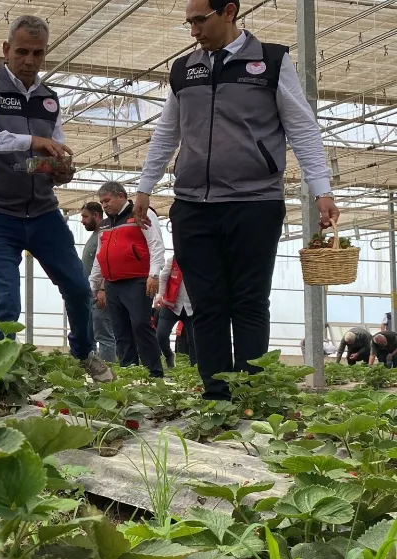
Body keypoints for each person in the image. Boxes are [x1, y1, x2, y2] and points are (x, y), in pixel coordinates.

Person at [133, 0, 340, 400]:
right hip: (194, 205)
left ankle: (250, 395)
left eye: (199, 20)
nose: (193, 30)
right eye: (188, 22)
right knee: (207, 304)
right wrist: (145, 185)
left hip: (255, 202)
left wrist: (322, 189)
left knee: (248, 300)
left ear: (228, 12)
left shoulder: (271, 61)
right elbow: (167, 132)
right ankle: (216, 396)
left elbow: (302, 127)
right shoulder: (184, 70)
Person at [0, 14, 112, 382]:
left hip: (43, 211)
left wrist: (57, 169)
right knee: (8, 300)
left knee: (78, 288)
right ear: (6, 49)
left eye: (38, 53)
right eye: (23, 51)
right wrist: (31, 141)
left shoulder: (48, 100)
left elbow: (40, 159)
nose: (30, 60)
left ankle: (83, 354)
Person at [88, 182, 165, 378]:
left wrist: (154, 274)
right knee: (120, 330)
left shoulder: (139, 213)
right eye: (101, 202)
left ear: (121, 196)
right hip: (113, 284)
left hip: (138, 281)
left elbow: (156, 244)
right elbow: (99, 255)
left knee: (140, 325)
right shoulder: (105, 224)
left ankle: (154, 373)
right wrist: (93, 285)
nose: (104, 205)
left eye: (107, 200)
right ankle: (130, 372)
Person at [79, 202, 117, 362]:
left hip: (100, 296)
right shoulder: (94, 236)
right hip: (91, 295)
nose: (82, 220)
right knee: (90, 336)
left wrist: (103, 289)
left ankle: (108, 374)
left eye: (85, 216)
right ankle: (94, 369)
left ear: (96, 215)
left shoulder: (104, 235)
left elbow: (107, 263)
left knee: (105, 336)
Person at [155, 256, 196, 367]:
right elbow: (163, 277)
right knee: (161, 335)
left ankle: (196, 367)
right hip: (170, 305)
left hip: (191, 307)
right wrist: (159, 295)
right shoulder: (173, 260)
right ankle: (169, 355)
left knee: (194, 339)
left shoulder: (200, 261)